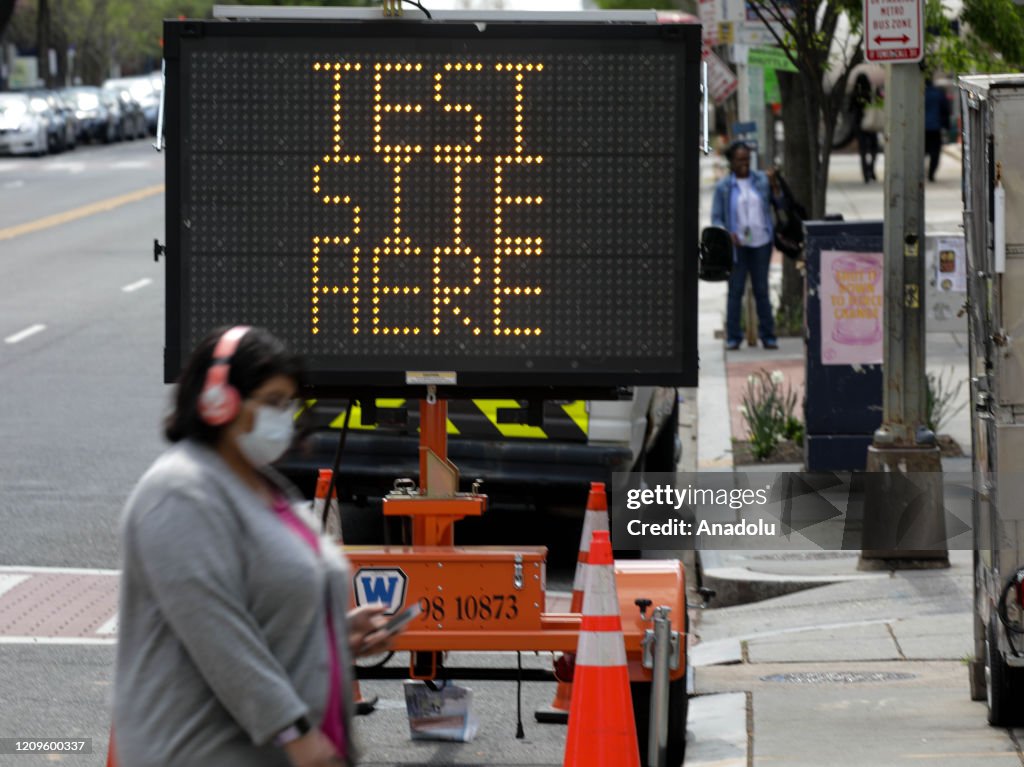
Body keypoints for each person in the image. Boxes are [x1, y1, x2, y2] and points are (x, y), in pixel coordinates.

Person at [113, 325, 391, 767]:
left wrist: (333, 634)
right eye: (273, 402)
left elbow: (265, 612)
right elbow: (220, 635)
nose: (285, 417)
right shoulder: (179, 492)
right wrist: (297, 734)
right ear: (218, 401)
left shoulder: (264, 487)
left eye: (289, 403)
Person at [711, 141, 784, 351]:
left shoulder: (761, 180)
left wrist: (775, 185)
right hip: (737, 247)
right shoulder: (724, 187)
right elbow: (716, 218)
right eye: (740, 159)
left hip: (761, 243)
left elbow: (778, 203)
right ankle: (733, 337)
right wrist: (726, 234)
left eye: (747, 159)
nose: (744, 163)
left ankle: (768, 336)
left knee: (762, 290)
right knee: (735, 291)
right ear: (731, 162)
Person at [852, 73, 881, 183]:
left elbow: (850, 109)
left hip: (859, 124)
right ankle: (871, 169)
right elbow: (880, 105)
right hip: (871, 124)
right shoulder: (872, 93)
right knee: (874, 148)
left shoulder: (855, 94)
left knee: (863, 151)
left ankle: (865, 174)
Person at [925, 79, 951, 182]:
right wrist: (947, 125)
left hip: (922, 128)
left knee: (921, 151)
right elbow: (946, 110)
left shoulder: (919, 93)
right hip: (935, 127)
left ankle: (919, 171)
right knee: (935, 152)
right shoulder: (938, 94)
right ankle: (931, 173)